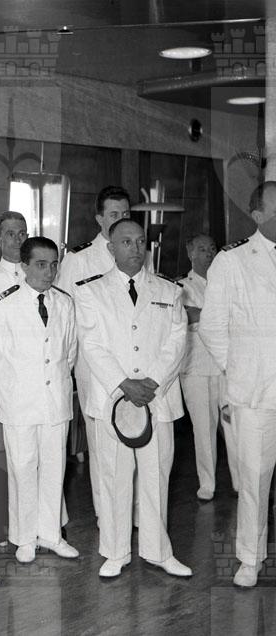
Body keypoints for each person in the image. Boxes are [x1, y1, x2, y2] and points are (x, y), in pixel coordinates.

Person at [74, 219, 191, 578]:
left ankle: (158, 551)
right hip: (113, 399)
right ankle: (115, 551)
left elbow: (177, 341)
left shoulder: (169, 290)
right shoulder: (91, 291)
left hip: (157, 397)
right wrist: (124, 384)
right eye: (126, 242)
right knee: (114, 478)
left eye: (140, 241)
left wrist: (152, 381)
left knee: (157, 477)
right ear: (111, 248)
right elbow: (92, 344)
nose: (136, 248)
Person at [199, 181, 276, 588]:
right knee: (254, 479)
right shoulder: (231, 261)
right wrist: (242, 368)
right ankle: (250, 557)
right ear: (258, 215)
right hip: (256, 393)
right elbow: (211, 327)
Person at [0, 236, 79, 563]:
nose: (49, 272)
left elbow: (69, 354)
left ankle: (51, 534)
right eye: (41, 264)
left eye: (53, 265)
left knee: (55, 468)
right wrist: (11, 397)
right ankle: (24, 538)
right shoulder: (4, 304)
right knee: (23, 469)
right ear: (24, 266)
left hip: (55, 402)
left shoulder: (64, 303)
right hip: (20, 403)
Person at [54, 186, 131, 520]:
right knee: (102, 443)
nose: (121, 220)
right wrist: (69, 366)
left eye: (126, 214)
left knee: (134, 439)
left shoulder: (137, 252)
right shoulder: (80, 259)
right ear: (99, 218)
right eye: (114, 214)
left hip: (132, 363)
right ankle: (107, 515)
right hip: (94, 366)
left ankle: (131, 511)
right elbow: (64, 314)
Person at [178, 234, 237, 501]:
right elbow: (185, 316)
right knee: (204, 429)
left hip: (226, 365)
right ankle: (207, 484)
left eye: (212, 248)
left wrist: (202, 315)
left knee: (233, 425)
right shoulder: (181, 286)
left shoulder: (226, 282)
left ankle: (240, 481)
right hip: (196, 367)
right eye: (202, 249)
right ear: (190, 253)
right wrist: (214, 317)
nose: (209, 253)